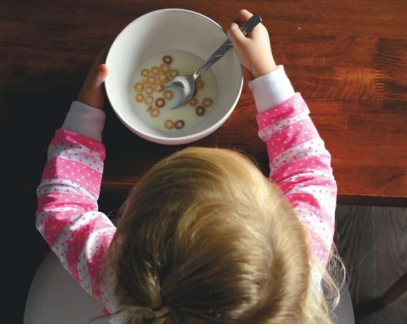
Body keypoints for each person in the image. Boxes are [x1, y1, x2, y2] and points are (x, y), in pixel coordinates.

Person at [35, 9, 345, 323]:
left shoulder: (116, 275)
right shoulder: (302, 261)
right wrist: (265, 71)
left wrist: (86, 110)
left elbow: (61, 208)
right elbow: (307, 170)